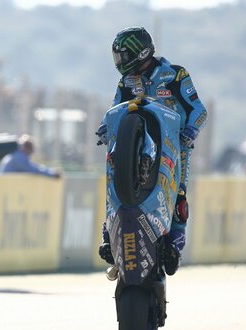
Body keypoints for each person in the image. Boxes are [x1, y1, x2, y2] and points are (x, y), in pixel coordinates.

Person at [96, 26, 208, 278]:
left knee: (179, 192)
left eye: (123, 56)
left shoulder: (175, 74)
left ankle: (174, 244)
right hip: (131, 143)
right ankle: (109, 233)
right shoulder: (126, 81)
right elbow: (114, 108)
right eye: (118, 57)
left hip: (173, 145)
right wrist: (104, 128)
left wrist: (190, 130)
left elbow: (199, 109)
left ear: (140, 52)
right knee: (112, 180)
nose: (120, 62)